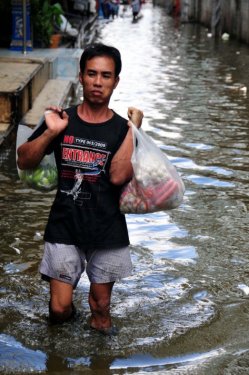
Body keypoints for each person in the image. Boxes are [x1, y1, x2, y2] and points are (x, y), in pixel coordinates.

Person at [17, 43, 143, 335]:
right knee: (59, 309)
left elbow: (118, 175)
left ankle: (100, 362)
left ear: (116, 81)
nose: (98, 82)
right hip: (65, 226)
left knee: (100, 310)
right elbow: (24, 161)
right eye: (92, 74)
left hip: (107, 229)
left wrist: (135, 130)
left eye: (106, 76)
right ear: (81, 76)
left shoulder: (123, 130)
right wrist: (51, 132)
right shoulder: (62, 120)